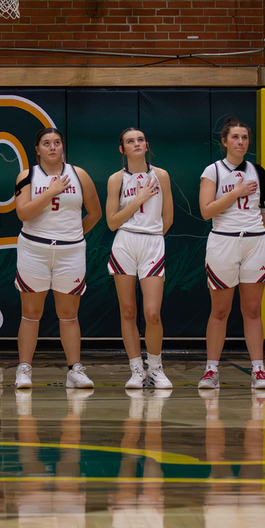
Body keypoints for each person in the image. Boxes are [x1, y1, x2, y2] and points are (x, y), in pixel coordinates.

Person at [13, 127, 102, 389]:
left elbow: (95, 213)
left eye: (57, 142)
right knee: (31, 313)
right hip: (34, 249)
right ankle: (24, 369)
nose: (52, 147)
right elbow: (23, 213)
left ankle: (74, 370)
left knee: (69, 314)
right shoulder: (26, 175)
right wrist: (50, 192)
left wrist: (71, 236)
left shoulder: (79, 175)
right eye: (46, 143)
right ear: (37, 149)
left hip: (70, 251)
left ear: (63, 147)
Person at [197, 118, 265, 390]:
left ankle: (258, 370)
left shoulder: (258, 171)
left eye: (244, 137)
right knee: (220, 310)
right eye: (235, 137)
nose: (240, 141)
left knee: (252, 309)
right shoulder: (213, 171)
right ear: (225, 141)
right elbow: (206, 211)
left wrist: (248, 226)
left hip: (254, 242)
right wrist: (237, 193)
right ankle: (211, 370)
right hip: (223, 243)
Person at [105, 127, 174, 389]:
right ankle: (136, 369)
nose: (136, 144)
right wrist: (138, 200)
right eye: (130, 141)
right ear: (122, 149)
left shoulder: (161, 175)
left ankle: (155, 368)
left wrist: (152, 234)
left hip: (153, 241)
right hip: (125, 241)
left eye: (140, 140)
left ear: (147, 145)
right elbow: (112, 222)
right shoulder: (116, 179)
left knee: (152, 312)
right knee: (129, 310)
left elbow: (167, 218)